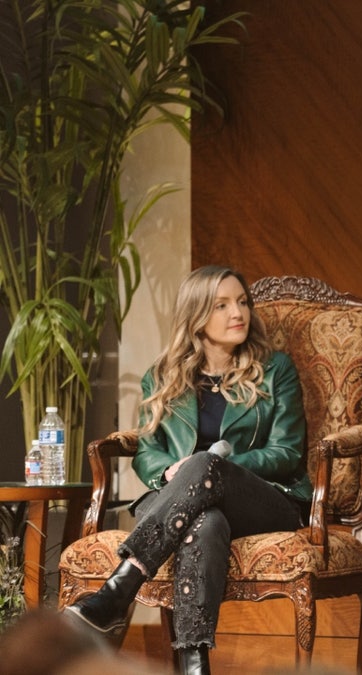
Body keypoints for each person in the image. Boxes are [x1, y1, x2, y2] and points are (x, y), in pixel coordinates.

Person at [63, 265, 312, 675]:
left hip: (263, 500)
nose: (239, 313)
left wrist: (216, 465)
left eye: (242, 302)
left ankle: (116, 593)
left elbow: (286, 452)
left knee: (206, 466)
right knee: (206, 523)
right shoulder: (162, 377)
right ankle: (194, 667)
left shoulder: (275, 369)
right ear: (196, 316)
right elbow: (146, 453)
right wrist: (167, 473)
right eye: (222, 305)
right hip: (179, 505)